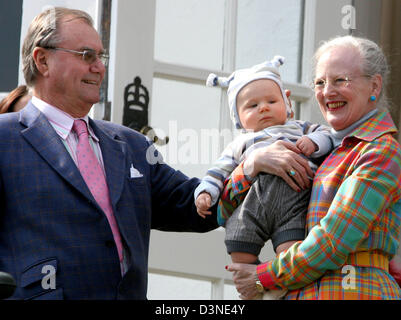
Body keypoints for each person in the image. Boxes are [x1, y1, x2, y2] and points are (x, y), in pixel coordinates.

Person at [0, 7, 217, 300]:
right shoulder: (4, 138)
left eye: (101, 57)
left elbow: (197, 204)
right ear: (43, 60)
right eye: (86, 55)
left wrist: (254, 162)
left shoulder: (132, 146)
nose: (99, 67)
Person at [225, 35, 401, 300]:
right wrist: (252, 164)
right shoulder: (314, 146)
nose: (327, 92)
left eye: (341, 80)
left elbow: (333, 241)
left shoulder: (379, 150)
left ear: (374, 85)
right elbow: (222, 209)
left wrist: (263, 277)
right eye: (320, 82)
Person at [194, 57, 333, 299]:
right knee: (238, 245)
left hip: (294, 200)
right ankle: (252, 291)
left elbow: (328, 135)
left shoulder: (300, 128)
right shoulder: (240, 144)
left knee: (291, 250)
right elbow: (218, 172)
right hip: (252, 206)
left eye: (271, 100)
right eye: (252, 106)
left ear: (287, 103)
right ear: (238, 117)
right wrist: (205, 193)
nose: (264, 108)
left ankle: (277, 287)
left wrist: (312, 142)